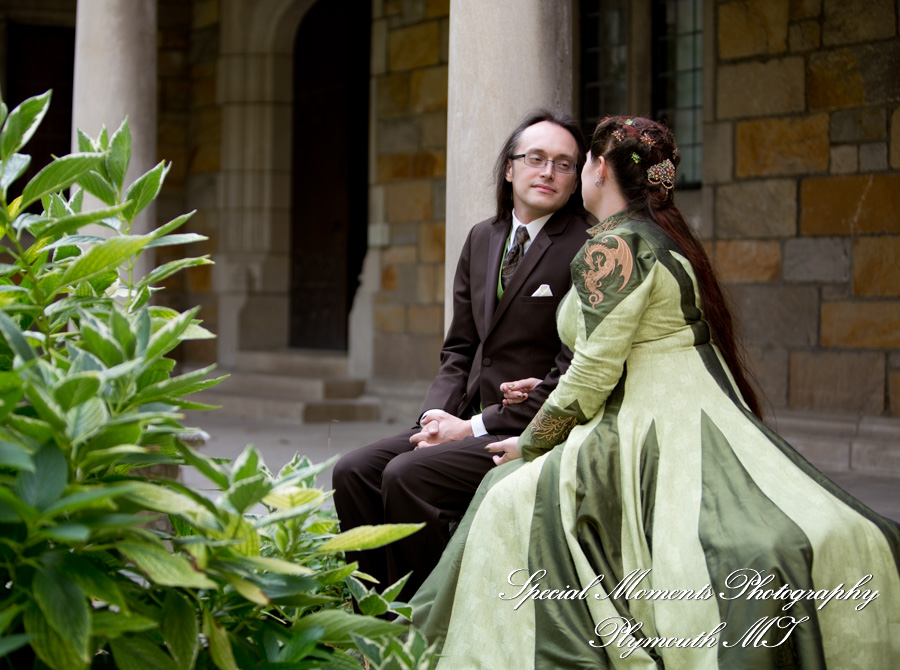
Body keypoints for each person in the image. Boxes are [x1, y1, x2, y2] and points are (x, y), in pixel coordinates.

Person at [410, 116, 900, 668]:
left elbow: (592, 373)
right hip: (703, 408)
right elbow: (634, 346)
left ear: (599, 169)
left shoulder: (611, 248)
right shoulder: (663, 238)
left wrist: (531, 442)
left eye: (580, 162)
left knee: (506, 493)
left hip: (648, 417)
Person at [332, 110, 593, 602]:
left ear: (576, 178)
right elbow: (460, 347)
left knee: (406, 475)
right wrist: (435, 416)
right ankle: (373, 616)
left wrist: (471, 427)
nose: (548, 172)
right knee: (353, 470)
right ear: (510, 168)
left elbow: (572, 369)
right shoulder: (482, 237)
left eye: (564, 164)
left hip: (527, 426)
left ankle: (424, 617)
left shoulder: (587, 246)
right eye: (536, 159)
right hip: (465, 414)